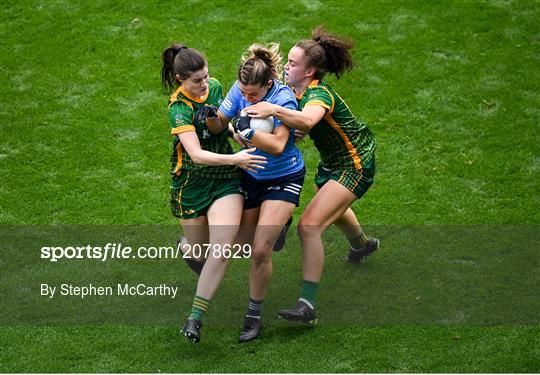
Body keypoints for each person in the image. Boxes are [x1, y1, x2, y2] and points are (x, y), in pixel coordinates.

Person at [244, 26, 379, 324]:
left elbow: (307, 119)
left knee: (309, 227)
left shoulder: (318, 93)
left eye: (293, 64)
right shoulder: (293, 90)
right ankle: (362, 244)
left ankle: (308, 306)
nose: (286, 67)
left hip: (355, 162)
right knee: (332, 205)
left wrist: (273, 111)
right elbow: (301, 127)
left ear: (310, 71)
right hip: (331, 162)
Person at [161, 43, 266, 343]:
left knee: (221, 250)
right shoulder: (178, 107)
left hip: (223, 181)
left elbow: (223, 124)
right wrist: (237, 157)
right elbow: (195, 154)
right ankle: (187, 246)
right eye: (197, 80)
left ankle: (195, 319)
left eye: (206, 76)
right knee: (200, 253)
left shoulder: (217, 87)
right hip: (191, 185)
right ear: (181, 78)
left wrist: (237, 135)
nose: (205, 83)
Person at [215, 43, 306, 342]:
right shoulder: (240, 89)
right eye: (243, 92)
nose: (246, 98)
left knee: (260, 250)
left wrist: (249, 132)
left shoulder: (283, 99)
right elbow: (221, 123)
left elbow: (279, 145)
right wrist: (207, 118)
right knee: (236, 242)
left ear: (268, 85)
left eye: (253, 94)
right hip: (251, 175)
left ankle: (253, 316)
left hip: (283, 177)